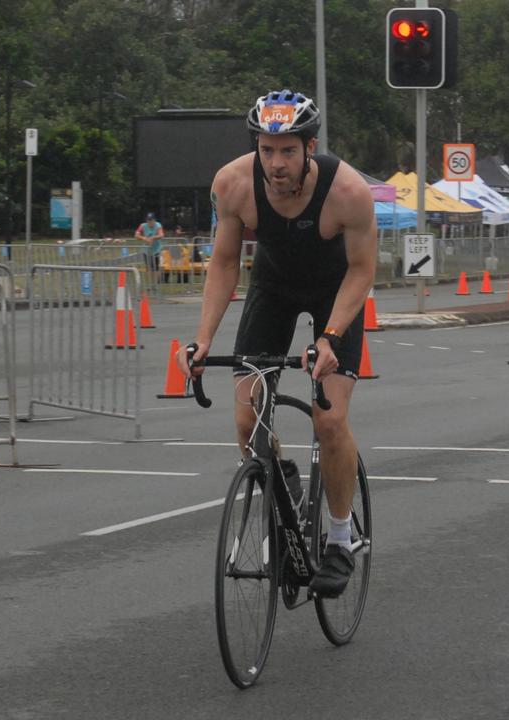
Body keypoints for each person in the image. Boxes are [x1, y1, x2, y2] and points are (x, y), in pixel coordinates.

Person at [177, 89, 376, 598]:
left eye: (288, 150)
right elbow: (224, 264)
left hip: (336, 291)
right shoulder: (234, 184)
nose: (277, 162)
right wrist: (202, 342)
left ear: (310, 147)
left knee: (329, 418)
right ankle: (282, 477)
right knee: (247, 420)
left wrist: (330, 337)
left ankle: (337, 538)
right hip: (274, 287)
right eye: (267, 149)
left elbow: (362, 270)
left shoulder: (349, 193)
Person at [136, 212, 165, 276]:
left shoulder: (158, 225)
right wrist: (144, 238)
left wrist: (152, 238)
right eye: (148, 220)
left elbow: (161, 235)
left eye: (151, 220)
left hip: (156, 250)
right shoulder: (142, 225)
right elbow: (136, 235)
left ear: (154, 220)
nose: (149, 221)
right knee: (149, 268)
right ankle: (150, 283)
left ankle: (156, 283)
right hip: (146, 251)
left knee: (156, 268)